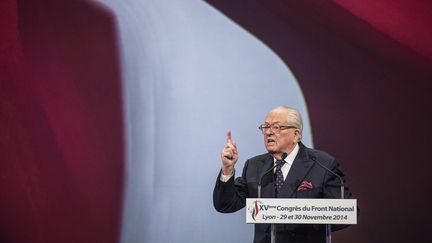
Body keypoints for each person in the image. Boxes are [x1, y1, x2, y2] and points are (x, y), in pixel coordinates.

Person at [213, 106, 355, 243]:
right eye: (266, 127)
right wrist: (227, 168)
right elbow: (225, 204)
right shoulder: (255, 165)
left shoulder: (322, 164)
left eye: (276, 127)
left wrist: (304, 216)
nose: (268, 132)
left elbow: (346, 213)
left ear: (296, 134)